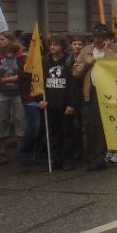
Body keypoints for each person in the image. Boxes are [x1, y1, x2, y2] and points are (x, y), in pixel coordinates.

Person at [73, 24, 117, 172]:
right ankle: (93, 157)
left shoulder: (115, 49)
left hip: (108, 92)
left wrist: (107, 51)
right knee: (89, 126)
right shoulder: (86, 51)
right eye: (96, 36)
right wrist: (85, 64)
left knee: (102, 127)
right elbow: (75, 72)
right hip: (90, 91)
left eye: (102, 37)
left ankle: (100, 157)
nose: (98, 40)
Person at [0, 30, 26, 165]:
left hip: (18, 92)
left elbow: (23, 73)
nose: (0, 41)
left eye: (2, 39)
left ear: (10, 40)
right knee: (1, 121)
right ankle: (2, 151)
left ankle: (21, 149)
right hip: (1, 92)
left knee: (20, 120)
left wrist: (7, 80)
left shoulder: (20, 55)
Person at [39, 36, 78, 171]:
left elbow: (73, 85)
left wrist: (72, 104)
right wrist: (40, 99)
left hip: (64, 104)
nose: (52, 47)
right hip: (50, 104)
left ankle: (68, 159)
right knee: (54, 133)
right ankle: (56, 159)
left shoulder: (68, 61)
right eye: (51, 45)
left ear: (62, 46)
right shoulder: (45, 62)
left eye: (55, 45)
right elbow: (40, 82)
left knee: (67, 133)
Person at [17, 33, 45, 168]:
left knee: (41, 129)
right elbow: (25, 74)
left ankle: (39, 155)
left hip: (41, 97)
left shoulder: (42, 57)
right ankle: (24, 153)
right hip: (29, 98)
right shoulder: (23, 59)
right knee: (34, 127)